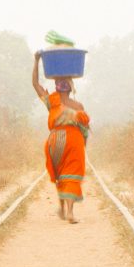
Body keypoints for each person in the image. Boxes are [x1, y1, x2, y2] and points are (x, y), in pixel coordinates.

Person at [32, 51, 90, 223]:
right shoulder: (78, 106)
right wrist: (83, 146)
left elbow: (35, 83)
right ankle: (70, 212)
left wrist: (36, 61)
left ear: (56, 86)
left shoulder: (52, 102)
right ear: (71, 88)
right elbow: (84, 130)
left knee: (60, 174)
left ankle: (62, 208)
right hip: (74, 141)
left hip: (55, 141)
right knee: (71, 173)